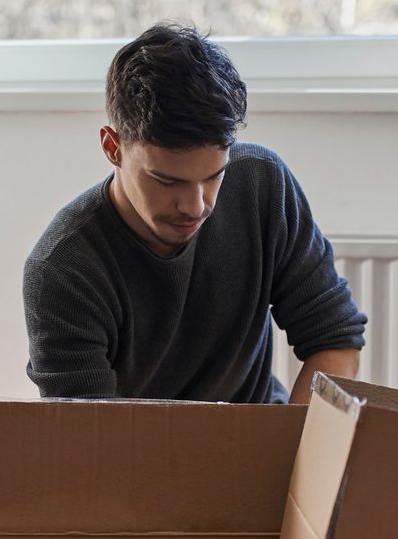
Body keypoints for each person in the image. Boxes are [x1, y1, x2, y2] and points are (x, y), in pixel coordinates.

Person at [23, 22, 365, 403]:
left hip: (264, 441)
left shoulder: (261, 185)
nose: (196, 205)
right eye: (167, 181)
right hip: (135, 455)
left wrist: (298, 456)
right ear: (112, 147)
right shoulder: (62, 269)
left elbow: (335, 339)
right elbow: (91, 439)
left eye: (213, 176)